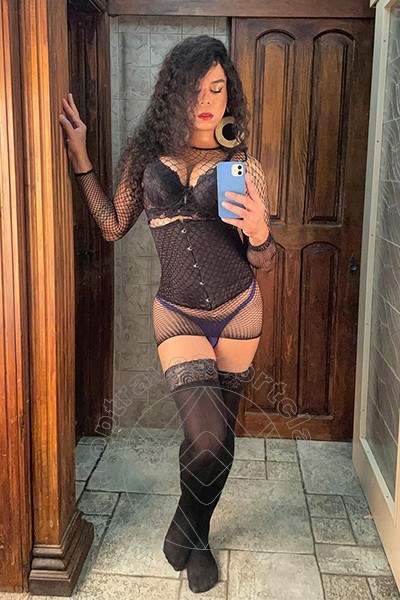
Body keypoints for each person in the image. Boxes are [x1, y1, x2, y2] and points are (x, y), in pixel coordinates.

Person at [59, 34, 277, 594]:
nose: (207, 101)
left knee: (219, 438)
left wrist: (261, 233)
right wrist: (81, 158)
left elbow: (264, 259)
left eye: (217, 88)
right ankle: (189, 523)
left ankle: (194, 533)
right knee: (205, 436)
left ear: (229, 94)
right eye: (195, 88)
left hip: (239, 310)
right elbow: (113, 226)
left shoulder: (241, 164)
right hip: (178, 312)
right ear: (173, 92)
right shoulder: (144, 156)